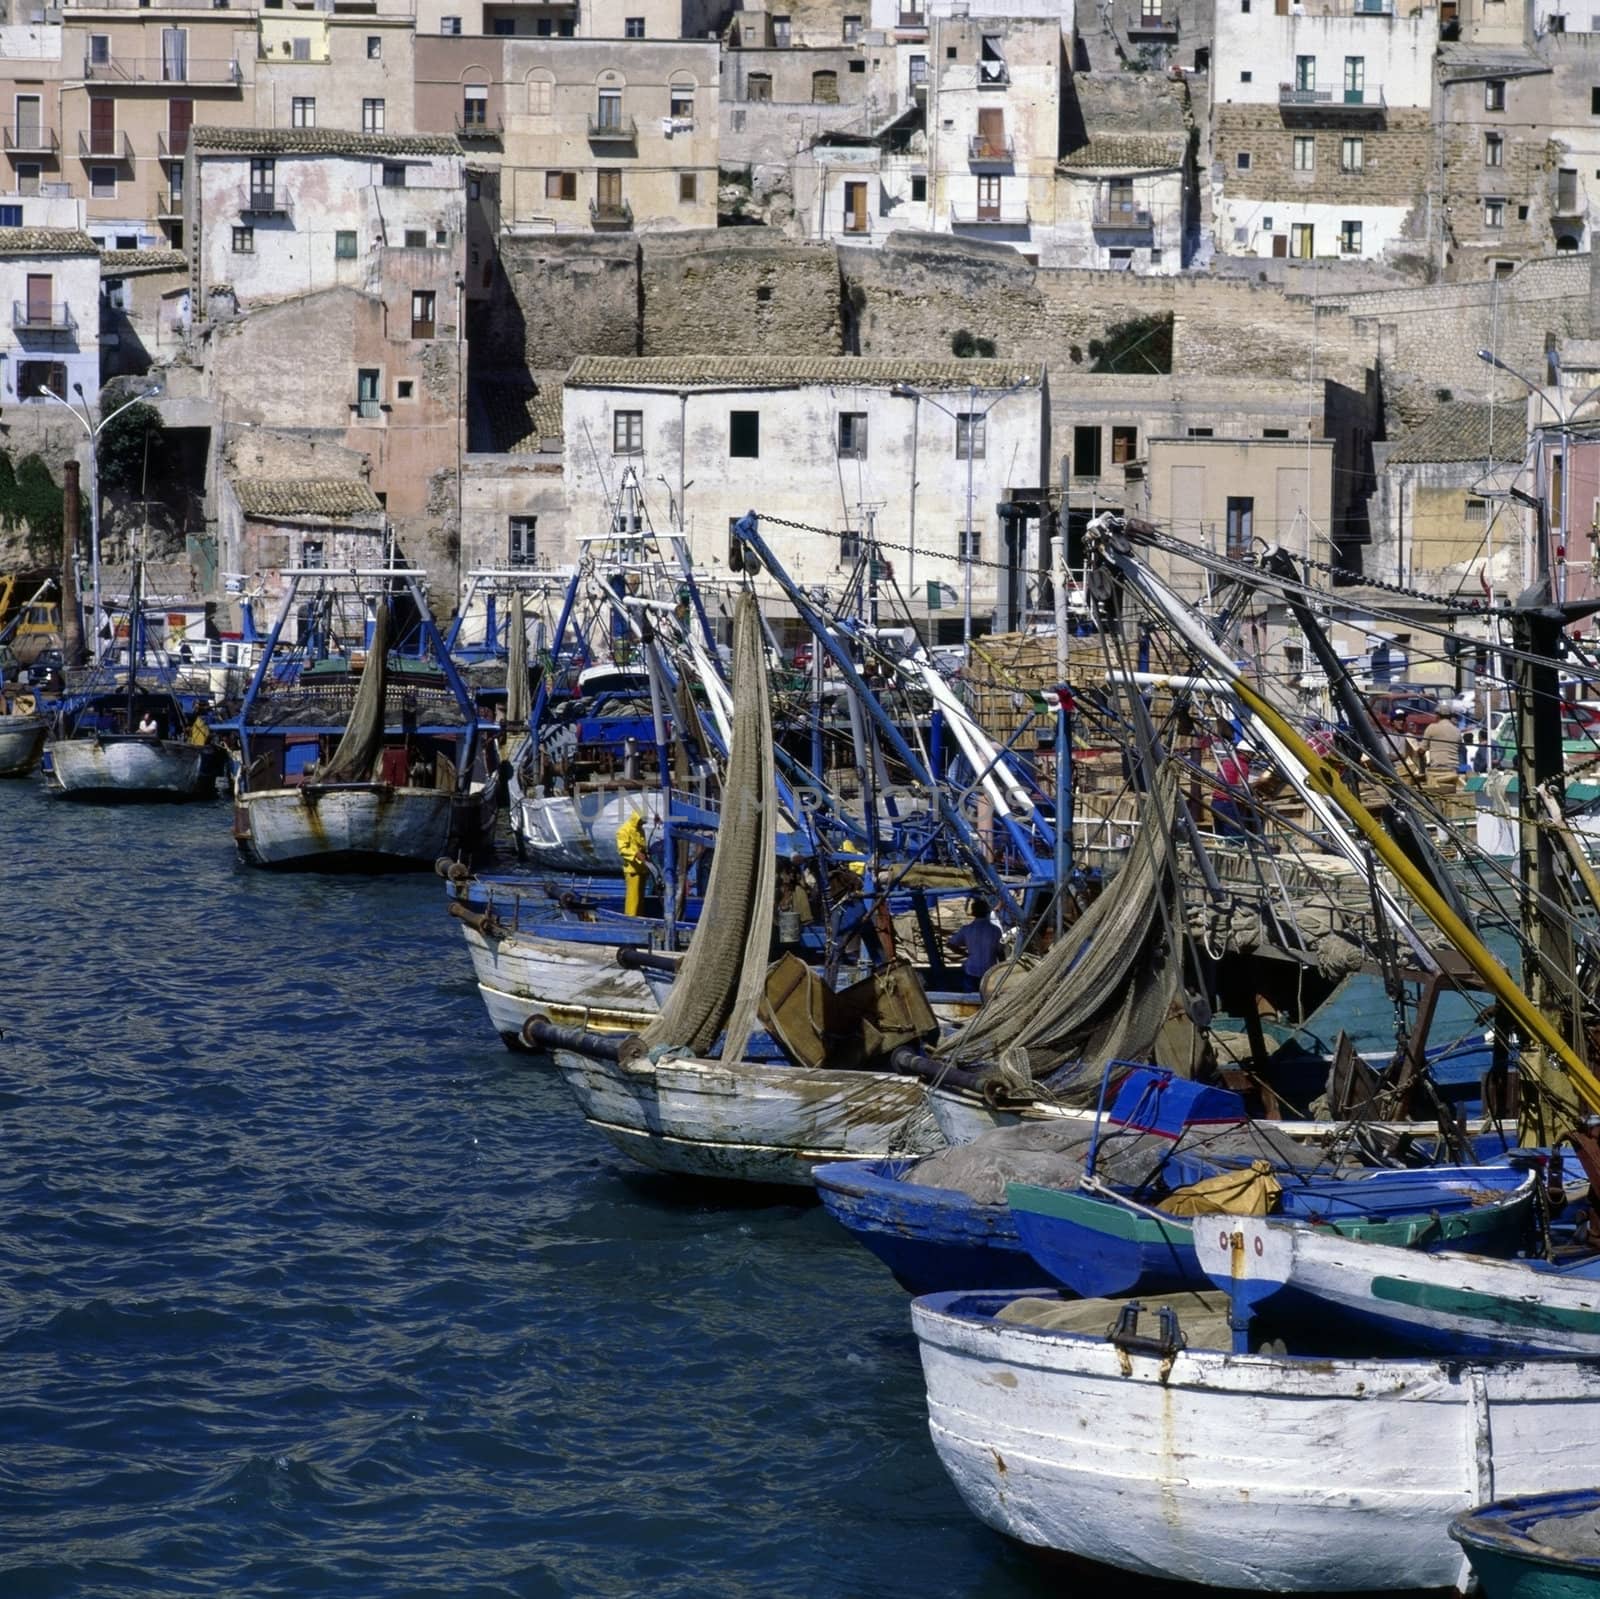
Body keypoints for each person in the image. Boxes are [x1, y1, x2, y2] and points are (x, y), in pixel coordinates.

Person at [948, 897, 1003, 990]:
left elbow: (950, 944)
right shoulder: (995, 930)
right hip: (989, 971)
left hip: (971, 970)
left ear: (974, 913)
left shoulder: (967, 929)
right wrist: (1002, 968)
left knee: (970, 997)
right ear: (987, 912)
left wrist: (965, 954)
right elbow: (1000, 952)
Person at [1420, 711, 1464, 785]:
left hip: (1437, 768)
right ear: (1450, 717)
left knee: (1437, 791)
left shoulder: (1432, 728)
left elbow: (1421, 750)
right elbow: (1459, 748)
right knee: (1451, 791)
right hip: (1453, 769)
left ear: (1437, 716)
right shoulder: (1457, 731)